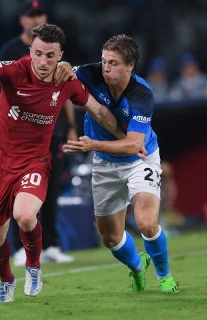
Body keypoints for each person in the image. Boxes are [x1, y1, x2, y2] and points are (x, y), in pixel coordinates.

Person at [0, 23, 123, 303]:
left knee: (26, 216)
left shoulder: (66, 81)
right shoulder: (16, 70)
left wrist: (127, 136)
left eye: (51, 55)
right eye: (39, 54)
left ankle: (34, 266)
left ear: (60, 55)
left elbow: (98, 110)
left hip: (35, 162)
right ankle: (6, 280)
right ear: (30, 51)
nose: (43, 62)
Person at [63, 35, 179, 293]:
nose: (106, 67)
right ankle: (138, 266)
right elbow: (63, 71)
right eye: (104, 61)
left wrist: (93, 144)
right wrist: (63, 67)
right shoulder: (89, 73)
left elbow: (132, 145)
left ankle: (165, 277)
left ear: (130, 65)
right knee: (110, 237)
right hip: (105, 164)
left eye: (113, 63)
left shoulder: (141, 95)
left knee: (147, 223)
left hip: (141, 159)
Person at [0, 0, 77, 266]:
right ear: (22, 20)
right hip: (21, 137)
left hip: (52, 132)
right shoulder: (10, 51)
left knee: (51, 189)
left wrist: (71, 127)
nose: (35, 19)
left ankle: (51, 245)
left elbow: (65, 93)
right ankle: (19, 248)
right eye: (31, 15)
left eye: (39, 14)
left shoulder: (53, 51)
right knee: (19, 191)